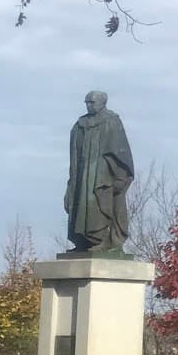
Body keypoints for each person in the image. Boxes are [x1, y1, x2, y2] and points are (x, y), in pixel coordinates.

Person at [65, 90, 134, 253]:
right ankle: (83, 241)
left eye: (92, 102)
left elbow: (120, 151)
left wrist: (119, 175)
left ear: (103, 103)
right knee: (80, 203)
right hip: (82, 174)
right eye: (87, 103)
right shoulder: (80, 124)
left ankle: (104, 239)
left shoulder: (111, 121)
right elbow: (74, 153)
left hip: (103, 174)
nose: (89, 105)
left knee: (99, 201)